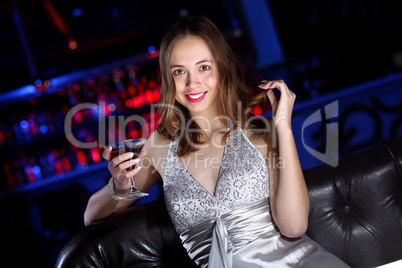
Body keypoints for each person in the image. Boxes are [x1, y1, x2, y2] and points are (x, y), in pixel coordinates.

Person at [84, 16, 350, 268]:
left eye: (203, 67)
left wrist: (283, 127)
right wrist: (119, 186)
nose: (192, 83)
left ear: (221, 69)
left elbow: (294, 227)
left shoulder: (261, 133)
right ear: (169, 78)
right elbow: (92, 216)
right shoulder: (161, 145)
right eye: (179, 71)